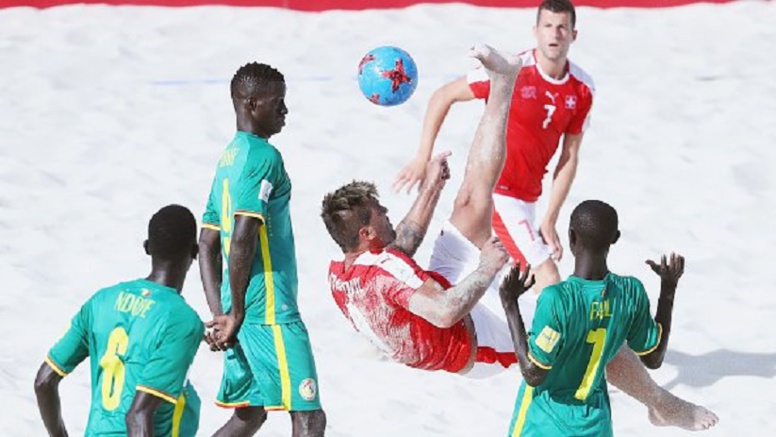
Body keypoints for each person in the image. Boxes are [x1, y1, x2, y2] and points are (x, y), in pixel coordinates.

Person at [324, 45, 716, 431]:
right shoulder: (384, 273)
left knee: (471, 199)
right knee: (578, 329)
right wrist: (485, 269)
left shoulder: (345, 270)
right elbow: (444, 312)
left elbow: (402, 246)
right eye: (380, 212)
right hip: (471, 340)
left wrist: (431, 188)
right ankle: (662, 404)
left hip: (430, 298)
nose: (389, 212)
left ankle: (502, 81)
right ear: (366, 232)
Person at [394, 0, 591, 297]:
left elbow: (570, 157)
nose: (555, 33)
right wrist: (423, 156)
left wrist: (550, 217)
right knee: (547, 277)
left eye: (562, 27)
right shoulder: (511, 69)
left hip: (528, 198)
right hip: (496, 192)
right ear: (535, 31)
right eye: (548, 26)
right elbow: (442, 95)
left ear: (573, 35)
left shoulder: (582, 88)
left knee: (500, 281)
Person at [499, 200, 719, 434]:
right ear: (615, 238)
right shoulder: (629, 292)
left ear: (571, 237)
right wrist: (668, 289)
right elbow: (654, 358)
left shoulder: (557, 299)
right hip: (595, 423)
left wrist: (510, 304)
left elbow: (533, 373)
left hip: (544, 422)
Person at [199, 62, 326, 436]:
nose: (285, 111)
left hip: (238, 307)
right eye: (278, 103)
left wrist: (221, 312)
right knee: (308, 415)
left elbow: (206, 243)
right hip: (268, 308)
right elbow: (242, 236)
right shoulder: (263, 157)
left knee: (250, 414)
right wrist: (236, 313)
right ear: (252, 104)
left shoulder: (229, 158)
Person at [33, 204, 204, 437]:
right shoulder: (182, 320)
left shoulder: (101, 302)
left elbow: (44, 381)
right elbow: (138, 416)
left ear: (147, 248)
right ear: (196, 252)